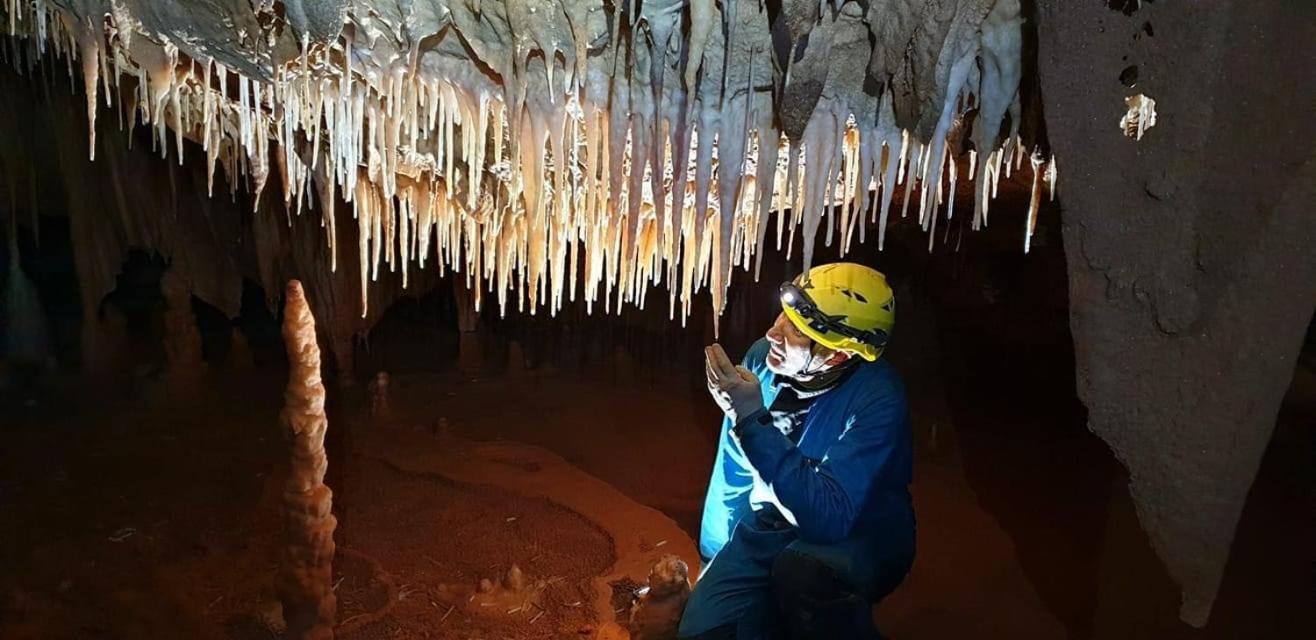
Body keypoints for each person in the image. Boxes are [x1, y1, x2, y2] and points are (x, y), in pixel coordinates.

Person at [679, 262, 915, 640]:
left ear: (837, 355)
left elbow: (828, 518)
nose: (773, 332)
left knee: (803, 574)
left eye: (796, 330)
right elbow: (734, 465)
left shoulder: (876, 399)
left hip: (857, 534)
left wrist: (752, 418)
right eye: (783, 315)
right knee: (704, 632)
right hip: (770, 525)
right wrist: (713, 554)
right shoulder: (763, 360)